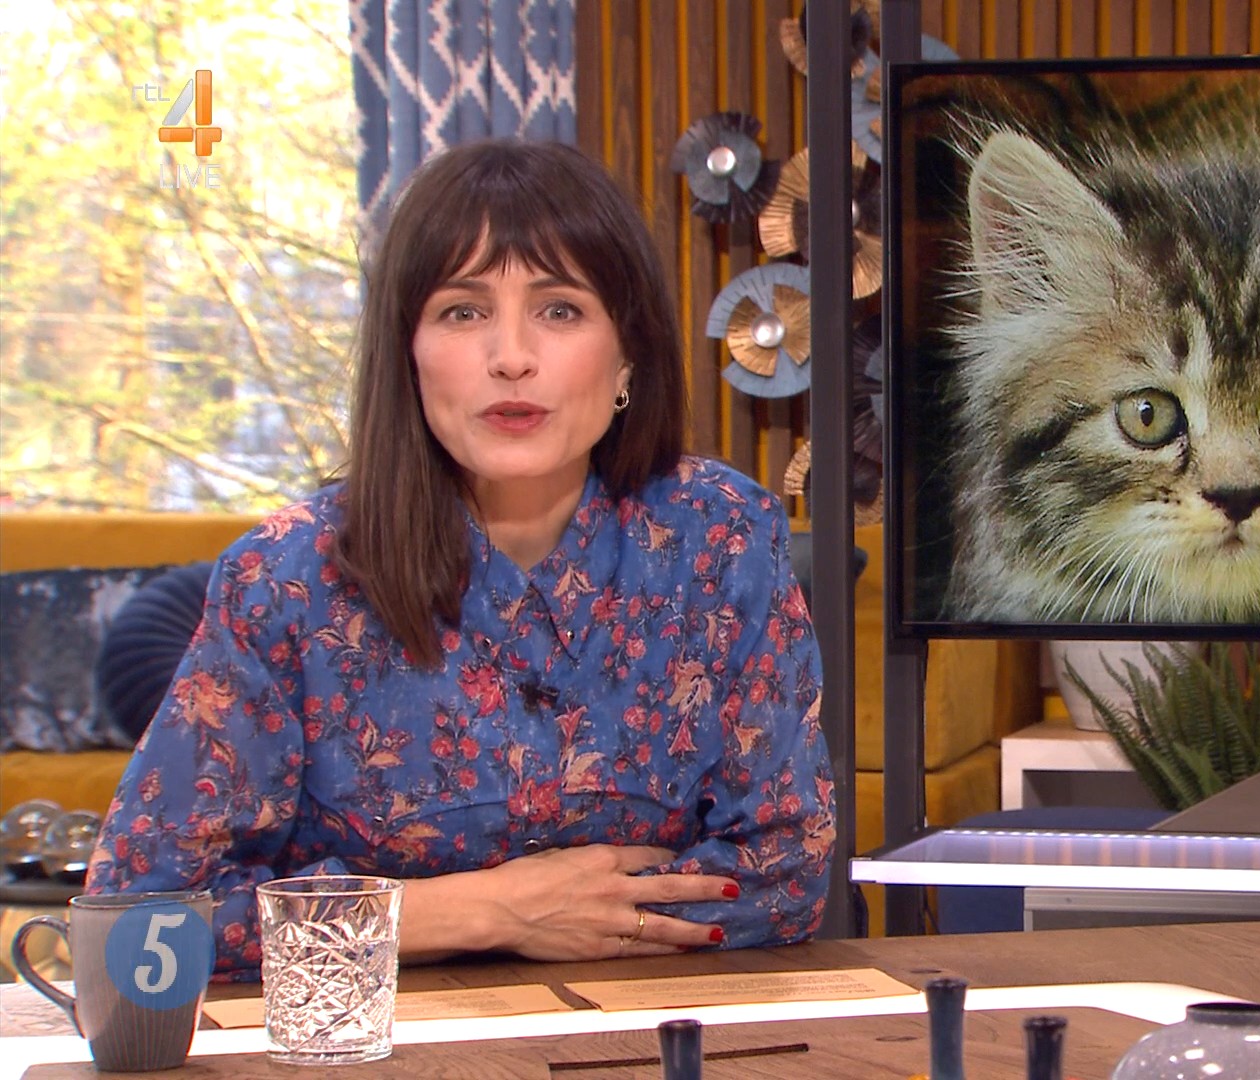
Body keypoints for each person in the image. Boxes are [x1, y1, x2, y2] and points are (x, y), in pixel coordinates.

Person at [85, 139, 836, 978]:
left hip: (658, 1023)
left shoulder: (723, 537)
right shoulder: (286, 577)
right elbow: (137, 920)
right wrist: (483, 912)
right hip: (372, 1039)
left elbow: (786, 872)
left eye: (560, 310)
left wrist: (579, 920)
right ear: (407, 352)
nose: (511, 356)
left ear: (628, 351)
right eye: (463, 312)